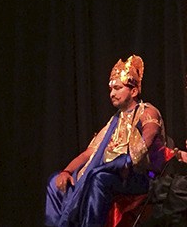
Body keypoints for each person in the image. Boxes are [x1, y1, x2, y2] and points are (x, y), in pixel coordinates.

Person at [45, 54, 167, 227]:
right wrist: (66, 171)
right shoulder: (114, 121)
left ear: (133, 91)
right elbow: (90, 152)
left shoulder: (147, 111)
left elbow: (149, 136)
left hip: (139, 178)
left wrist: (125, 161)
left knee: (98, 178)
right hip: (111, 175)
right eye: (111, 89)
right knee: (55, 182)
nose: (112, 94)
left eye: (117, 88)